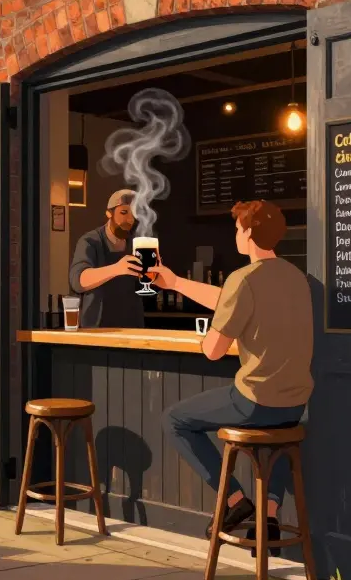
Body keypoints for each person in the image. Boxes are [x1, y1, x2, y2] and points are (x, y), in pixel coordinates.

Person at [147, 200, 313, 545]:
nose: (235, 235)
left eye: (238, 229)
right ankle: (268, 516)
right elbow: (229, 297)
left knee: (174, 419)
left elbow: (214, 350)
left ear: (249, 232)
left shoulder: (244, 278)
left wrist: (206, 337)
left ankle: (237, 501)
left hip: (255, 400)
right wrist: (176, 282)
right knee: (277, 433)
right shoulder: (295, 276)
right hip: (296, 404)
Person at [68, 189, 147, 329]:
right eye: (124, 212)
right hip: (97, 330)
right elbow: (78, 280)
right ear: (109, 213)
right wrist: (117, 269)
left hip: (132, 329)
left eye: (133, 214)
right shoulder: (91, 241)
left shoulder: (136, 243)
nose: (129, 219)